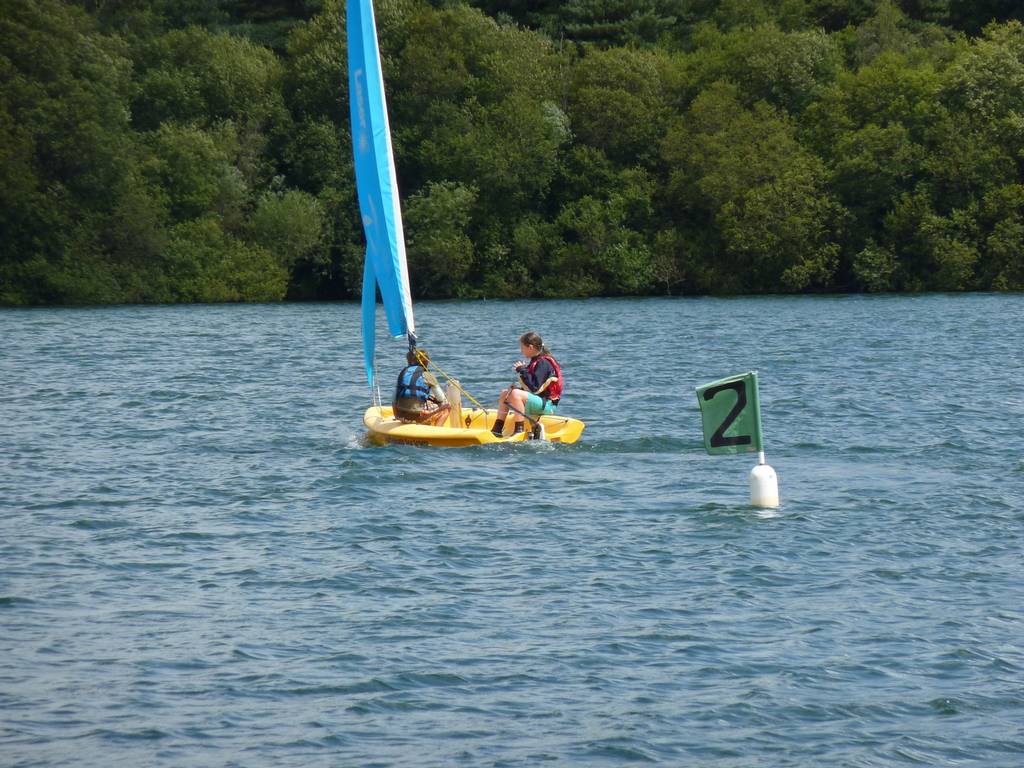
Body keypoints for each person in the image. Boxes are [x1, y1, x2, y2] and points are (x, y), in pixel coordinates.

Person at [491, 331, 563, 437]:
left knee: (515, 394)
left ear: (530, 347)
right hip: (537, 400)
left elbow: (535, 388)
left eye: (522, 347)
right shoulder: (535, 361)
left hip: (546, 405)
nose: (521, 351)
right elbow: (534, 388)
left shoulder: (543, 363)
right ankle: (497, 429)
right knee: (505, 393)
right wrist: (520, 388)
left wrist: (523, 370)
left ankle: (518, 430)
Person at [393, 348, 451, 426]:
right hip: (416, 418)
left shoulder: (404, 372)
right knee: (447, 407)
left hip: (400, 416)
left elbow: (394, 398)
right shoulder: (428, 375)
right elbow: (441, 399)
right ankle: (436, 433)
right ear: (427, 361)